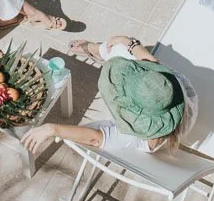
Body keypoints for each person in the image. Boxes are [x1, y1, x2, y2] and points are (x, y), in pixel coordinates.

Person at [21, 34, 198, 156]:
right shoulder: (162, 86)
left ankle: (97, 49)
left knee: (120, 50)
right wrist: (125, 41)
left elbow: (96, 138)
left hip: (171, 110)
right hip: (184, 95)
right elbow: (149, 61)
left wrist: (52, 129)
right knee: (122, 49)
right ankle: (97, 50)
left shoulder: (136, 137)